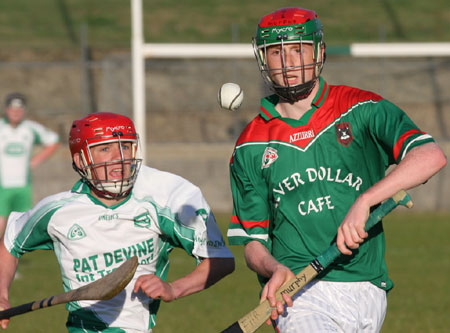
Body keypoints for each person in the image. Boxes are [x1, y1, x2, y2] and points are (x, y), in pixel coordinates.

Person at [227, 7, 446, 332]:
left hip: (368, 287)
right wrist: (273, 269)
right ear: (263, 60)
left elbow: (430, 157)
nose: (288, 62)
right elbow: (253, 243)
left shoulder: (361, 108)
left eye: (297, 49)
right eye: (277, 52)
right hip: (299, 295)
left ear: (319, 52)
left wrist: (365, 201)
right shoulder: (250, 145)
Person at [0, 112, 235, 332]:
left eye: (125, 146)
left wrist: (173, 289)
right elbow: (11, 242)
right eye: (104, 149)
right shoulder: (57, 211)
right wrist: (2, 294)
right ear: (81, 160)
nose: (119, 158)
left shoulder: (165, 197)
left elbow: (220, 260)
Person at [0, 92, 60, 239]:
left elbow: (53, 141)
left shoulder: (30, 128)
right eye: (13, 109)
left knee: (20, 229)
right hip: (2, 186)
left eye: (19, 110)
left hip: (23, 185)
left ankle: (10, 260)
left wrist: (37, 160)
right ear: (7, 110)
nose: (16, 113)